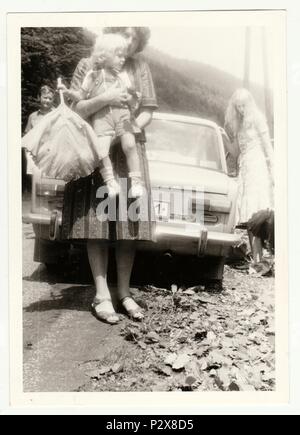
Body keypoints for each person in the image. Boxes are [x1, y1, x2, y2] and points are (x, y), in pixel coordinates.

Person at [61, 27, 158, 324]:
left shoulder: (139, 67)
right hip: (96, 147)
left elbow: (149, 109)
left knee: (128, 221)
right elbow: (76, 108)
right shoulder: (88, 64)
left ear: (139, 41)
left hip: (127, 147)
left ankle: (125, 292)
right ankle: (102, 294)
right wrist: (109, 98)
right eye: (124, 35)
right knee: (97, 222)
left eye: (134, 37)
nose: (128, 42)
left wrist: (132, 127)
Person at [60, 33, 143, 198]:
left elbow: (135, 97)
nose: (122, 60)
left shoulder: (123, 76)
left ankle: (137, 182)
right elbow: (80, 95)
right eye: (119, 56)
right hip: (102, 119)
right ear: (105, 56)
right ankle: (110, 182)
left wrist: (131, 98)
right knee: (101, 151)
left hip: (124, 116)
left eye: (123, 57)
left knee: (130, 145)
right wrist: (68, 92)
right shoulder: (91, 75)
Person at [224, 88, 274, 265]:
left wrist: (273, 171)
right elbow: (236, 152)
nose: (241, 110)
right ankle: (257, 259)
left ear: (250, 104)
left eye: (243, 106)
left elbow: (268, 146)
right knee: (249, 214)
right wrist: (224, 137)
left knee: (257, 212)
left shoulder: (258, 119)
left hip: (257, 166)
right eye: (237, 107)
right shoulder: (239, 123)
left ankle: (262, 257)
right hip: (244, 167)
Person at [22, 85, 55, 190]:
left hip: (51, 154)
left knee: (50, 186)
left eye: (50, 98)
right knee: (36, 186)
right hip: (35, 155)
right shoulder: (33, 116)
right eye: (45, 97)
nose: (47, 100)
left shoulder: (56, 115)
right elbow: (27, 137)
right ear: (39, 98)